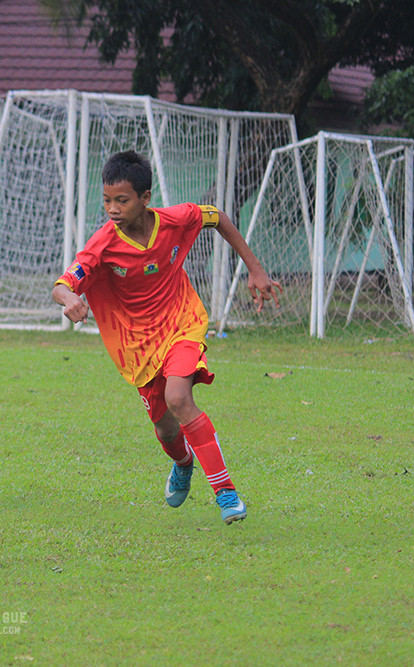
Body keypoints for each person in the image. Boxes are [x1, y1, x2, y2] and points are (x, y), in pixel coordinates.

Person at [52, 150, 281, 524]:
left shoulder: (176, 219)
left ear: (144, 198)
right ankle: (183, 462)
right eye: (107, 200)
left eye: (121, 200)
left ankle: (226, 493)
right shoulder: (103, 243)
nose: (112, 208)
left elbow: (218, 217)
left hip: (182, 322)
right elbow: (64, 283)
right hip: (138, 346)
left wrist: (255, 269)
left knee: (179, 396)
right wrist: (70, 298)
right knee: (164, 427)